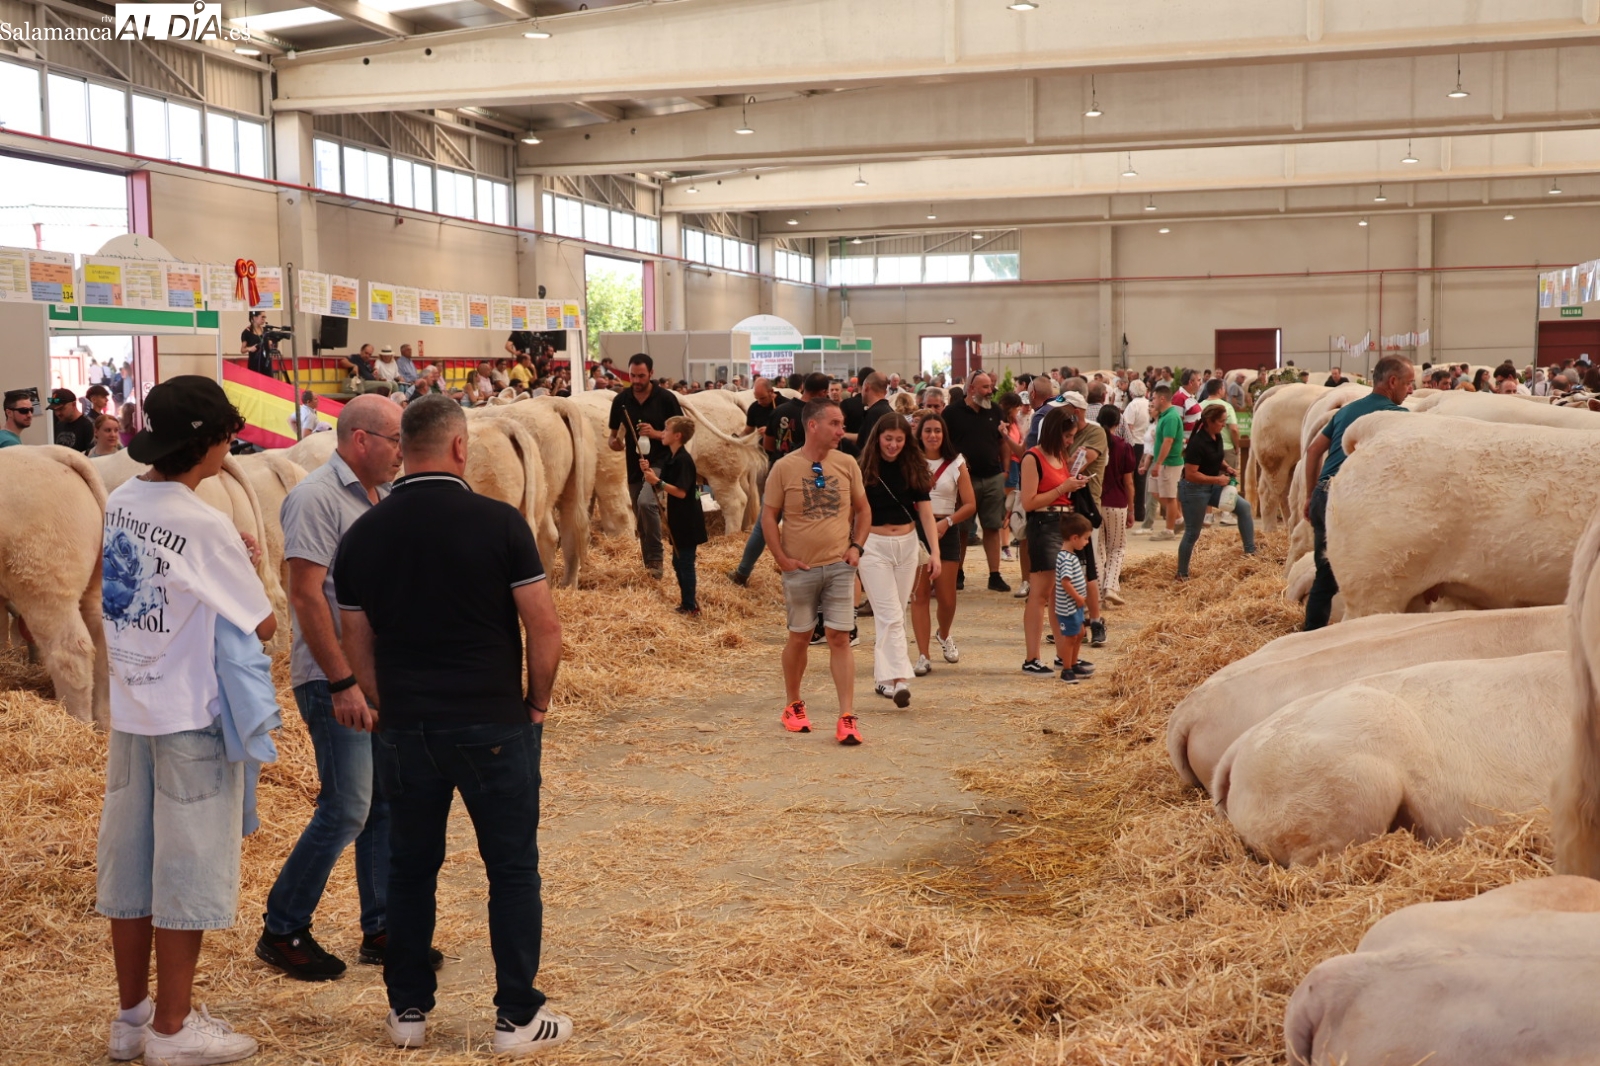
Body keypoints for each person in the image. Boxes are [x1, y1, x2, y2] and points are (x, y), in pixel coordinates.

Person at [332, 395, 571, 1056]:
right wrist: (535, 705)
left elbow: (356, 642)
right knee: (513, 870)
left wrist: (384, 708)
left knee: (409, 870)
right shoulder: (498, 524)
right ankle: (516, 1017)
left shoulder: (363, 535)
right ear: (461, 448)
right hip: (492, 721)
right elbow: (545, 629)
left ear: (402, 448)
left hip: (406, 730)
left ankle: (407, 1012)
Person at [97, 376, 273, 1066]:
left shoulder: (121, 498)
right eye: (225, 435)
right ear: (207, 442)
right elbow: (258, 621)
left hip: (133, 708)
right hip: (190, 714)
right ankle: (172, 1028)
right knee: (187, 869)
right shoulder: (202, 521)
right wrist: (236, 560)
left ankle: (132, 1017)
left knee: (132, 863)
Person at [256, 395, 436, 982]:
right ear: (360, 440)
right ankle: (282, 928)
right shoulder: (315, 497)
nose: (402, 455)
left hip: (374, 676)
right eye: (393, 442)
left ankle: (380, 926)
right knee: (348, 807)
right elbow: (305, 594)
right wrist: (342, 680)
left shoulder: (380, 497)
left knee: (383, 801)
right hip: (335, 679)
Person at [762, 396, 870, 745]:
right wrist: (781, 558)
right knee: (801, 636)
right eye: (835, 424)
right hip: (799, 568)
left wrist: (856, 548)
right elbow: (768, 516)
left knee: (840, 637)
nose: (842, 430)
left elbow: (864, 510)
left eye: (841, 424)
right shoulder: (784, 467)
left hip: (839, 566)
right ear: (813, 425)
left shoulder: (847, 463)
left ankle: (847, 716)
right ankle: (793, 703)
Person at [1302, 356, 1414, 629]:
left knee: (1324, 579)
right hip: (1353, 501)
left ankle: (1308, 638)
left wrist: (1310, 495)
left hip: (1324, 495)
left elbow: (1314, 450)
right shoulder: (1397, 417)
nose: (1410, 390)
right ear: (1392, 382)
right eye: (1409, 384)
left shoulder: (1345, 411)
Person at [855, 413, 940, 707]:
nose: (893, 445)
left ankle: (883, 679)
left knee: (892, 614)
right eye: (888, 439)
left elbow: (926, 513)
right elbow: (854, 513)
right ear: (877, 437)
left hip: (906, 545)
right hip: (873, 546)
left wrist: (935, 553)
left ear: (907, 441)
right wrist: (852, 547)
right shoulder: (863, 468)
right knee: (890, 614)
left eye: (899, 440)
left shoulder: (913, 466)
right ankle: (900, 679)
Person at [1018, 406, 1089, 675]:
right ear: (1053, 432)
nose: (1071, 441)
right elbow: (1029, 502)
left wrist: (1071, 484)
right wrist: (1063, 488)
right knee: (1040, 594)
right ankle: (1032, 657)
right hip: (1043, 526)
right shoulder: (1032, 458)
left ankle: (1064, 656)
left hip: (1061, 525)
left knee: (1059, 595)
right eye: (1068, 436)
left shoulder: (1059, 456)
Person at [944, 370, 1024, 592]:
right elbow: (945, 444)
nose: (991, 391)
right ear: (971, 389)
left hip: (992, 477)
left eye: (990, 387)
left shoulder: (995, 411)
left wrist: (1005, 470)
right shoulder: (952, 413)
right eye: (985, 387)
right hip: (963, 480)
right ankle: (958, 573)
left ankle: (994, 575)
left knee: (992, 526)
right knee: (961, 529)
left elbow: (1002, 442)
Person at [908, 413, 974, 676]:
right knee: (919, 595)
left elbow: (970, 504)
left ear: (944, 434)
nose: (933, 435)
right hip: (916, 530)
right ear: (920, 434)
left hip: (946, 528)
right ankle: (923, 654)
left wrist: (947, 521)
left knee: (947, 598)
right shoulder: (910, 460)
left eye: (937, 430)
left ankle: (943, 634)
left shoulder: (957, 462)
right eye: (928, 431)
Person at [608, 353, 684, 580]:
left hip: (661, 462)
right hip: (634, 464)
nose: (637, 380)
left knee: (646, 502)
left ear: (651, 374)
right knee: (640, 513)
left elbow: (680, 435)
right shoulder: (621, 400)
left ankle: (655, 559)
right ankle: (648, 564)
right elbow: (612, 437)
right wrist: (615, 443)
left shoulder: (666, 398)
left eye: (641, 376)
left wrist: (657, 433)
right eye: (633, 376)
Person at [1176, 404, 1256, 579]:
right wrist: (1217, 480)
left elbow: (1216, 458)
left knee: (1244, 507)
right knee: (1192, 533)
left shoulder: (1217, 436)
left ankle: (1251, 553)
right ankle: (1182, 573)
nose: (1223, 424)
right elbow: (1191, 474)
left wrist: (1227, 468)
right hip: (1193, 490)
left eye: (1225, 421)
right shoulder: (1197, 443)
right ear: (1209, 422)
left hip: (1211, 487)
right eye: (1221, 421)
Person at [642, 416, 706, 615]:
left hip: (688, 521)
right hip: (679, 520)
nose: (662, 433)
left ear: (677, 435)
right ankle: (687, 601)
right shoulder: (673, 458)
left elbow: (681, 491)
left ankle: (690, 606)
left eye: (666, 430)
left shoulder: (683, 460)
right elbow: (665, 481)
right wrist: (650, 473)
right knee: (678, 562)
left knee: (685, 563)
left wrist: (657, 482)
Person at [1096, 405, 1135, 606]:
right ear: (1118, 424)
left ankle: (1099, 591)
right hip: (1117, 502)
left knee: (1099, 547)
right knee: (1117, 547)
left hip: (1096, 501)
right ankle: (1110, 586)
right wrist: (1132, 508)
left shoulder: (1094, 444)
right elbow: (1128, 482)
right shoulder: (1123, 447)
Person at [1054, 513, 1095, 684]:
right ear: (1074, 538)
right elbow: (1065, 582)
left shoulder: (1071, 556)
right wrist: (1078, 597)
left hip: (1075, 606)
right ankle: (1066, 669)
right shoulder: (1065, 558)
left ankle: (1073, 663)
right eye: (1085, 539)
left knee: (1080, 633)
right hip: (1068, 607)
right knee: (1070, 637)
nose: (1086, 543)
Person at [1143, 385, 1184, 541]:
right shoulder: (1164, 415)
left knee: (1169, 495)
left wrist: (1159, 463)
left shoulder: (1171, 416)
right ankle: (1179, 520)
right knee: (1155, 491)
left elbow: (1168, 441)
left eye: (1153, 398)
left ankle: (1169, 530)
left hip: (1169, 462)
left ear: (1162, 398)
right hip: (1161, 461)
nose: (1152, 402)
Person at [1122, 380, 1150, 529]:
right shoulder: (1149, 403)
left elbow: (1128, 427)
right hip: (1147, 444)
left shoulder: (1132, 405)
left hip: (1134, 444)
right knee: (1142, 479)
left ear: (1131, 392)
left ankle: (1130, 509)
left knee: (1130, 479)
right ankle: (1141, 511)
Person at [841, 372, 891, 455]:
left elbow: (867, 446)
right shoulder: (888, 411)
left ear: (867, 387)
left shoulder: (874, 414)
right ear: (885, 392)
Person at [48, 387, 94, 452]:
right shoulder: (59, 424)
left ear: (73, 404)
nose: (58, 413)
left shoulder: (88, 425)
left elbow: (91, 454)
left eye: (61, 409)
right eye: (55, 410)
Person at [1172, 369, 1203, 433]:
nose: (1201, 383)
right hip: (1187, 441)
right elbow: (1176, 424)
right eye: (1199, 380)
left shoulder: (1190, 395)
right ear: (1191, 382)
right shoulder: (1179, 398)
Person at [241, 310, 271, 376]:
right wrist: (249, 348)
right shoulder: (247, 332)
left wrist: (271, 344)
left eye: (265, 317)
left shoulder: (265, 330)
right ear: (254, 317)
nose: (264, 319)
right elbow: (242, 350)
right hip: (254, 364)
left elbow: (269, 346)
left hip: (266, 363)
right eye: (262, 317)